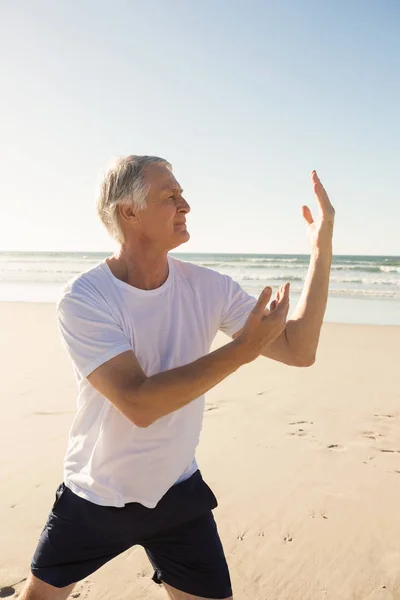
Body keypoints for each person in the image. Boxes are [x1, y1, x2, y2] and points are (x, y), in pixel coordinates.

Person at [20, 155, 335, 600]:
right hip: (95, 495)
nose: (185, 205)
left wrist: (321, 248)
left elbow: (299, 350)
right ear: (128, 212)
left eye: (182, 195)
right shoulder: (85, 299)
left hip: (176, 493)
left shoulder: (210, 288)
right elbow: (139, 403)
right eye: (170, 197)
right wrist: (244, 348)